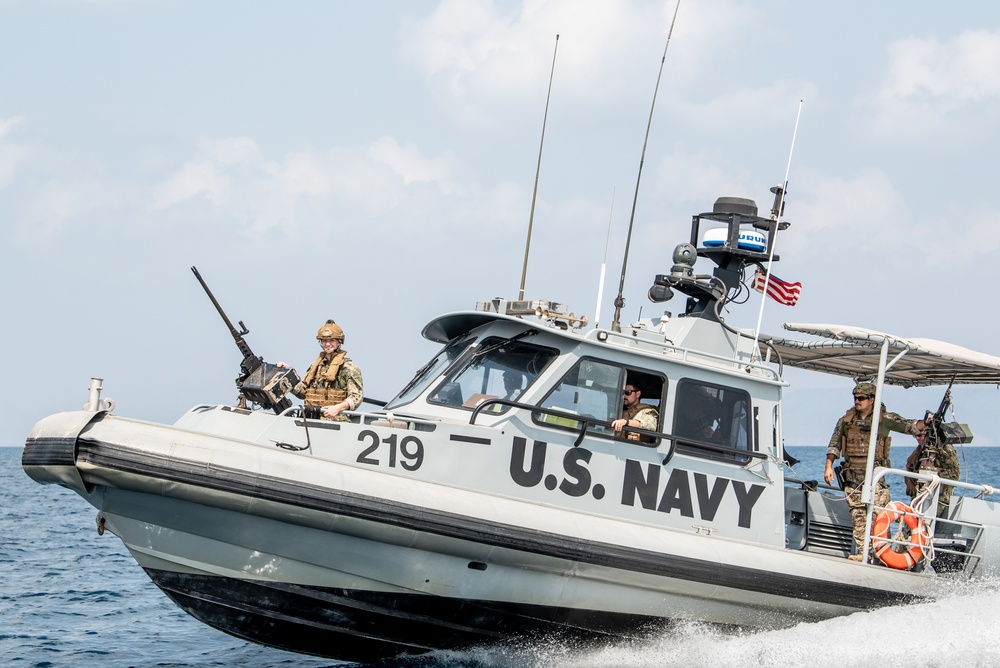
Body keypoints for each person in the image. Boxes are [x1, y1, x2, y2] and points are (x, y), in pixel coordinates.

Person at [824, 381, 925, 562]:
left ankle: (883, 556)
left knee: (879, 517)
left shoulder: (883, 420)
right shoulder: (846, 421)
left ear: (872, 399)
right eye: (855, 398)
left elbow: (908, 425)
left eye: (861, 398)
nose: (857, 401)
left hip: (875, 479)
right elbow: (834, 445)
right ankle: (865, 554)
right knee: (859, 518)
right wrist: (829, 467)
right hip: (853, 478)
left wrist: (924, 423)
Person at [278, 319, 363, 422]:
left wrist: (338, 408)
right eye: (324, 341)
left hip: (336, 421)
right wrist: (288, 374)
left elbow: (356, 397)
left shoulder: (348, 368)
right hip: (311, 419)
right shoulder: (316, 366)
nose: (327, 344)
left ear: (339, 342)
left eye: (331, 340)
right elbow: (303, 393)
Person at [905, 429, 961, 518]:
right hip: (920, 495)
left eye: (920, 435)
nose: (917, 438)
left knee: (926, 523)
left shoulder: (945, 448)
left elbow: (954, 475)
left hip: (940, 498)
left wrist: (935, 471)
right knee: (911, 524)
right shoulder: (920, 450)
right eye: (915, 436)